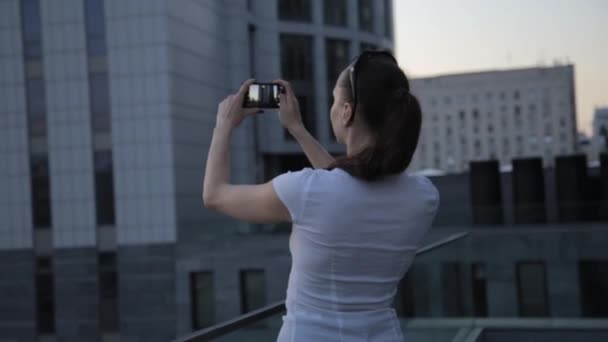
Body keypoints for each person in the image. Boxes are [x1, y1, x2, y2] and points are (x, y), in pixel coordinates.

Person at [203, 50, 439, 341]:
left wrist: (224, 124)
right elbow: (346, 187)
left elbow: (215, 195)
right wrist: (297, 129)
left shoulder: (307, 191)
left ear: (346, 112)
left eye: (334, 100)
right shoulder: (424, 197)